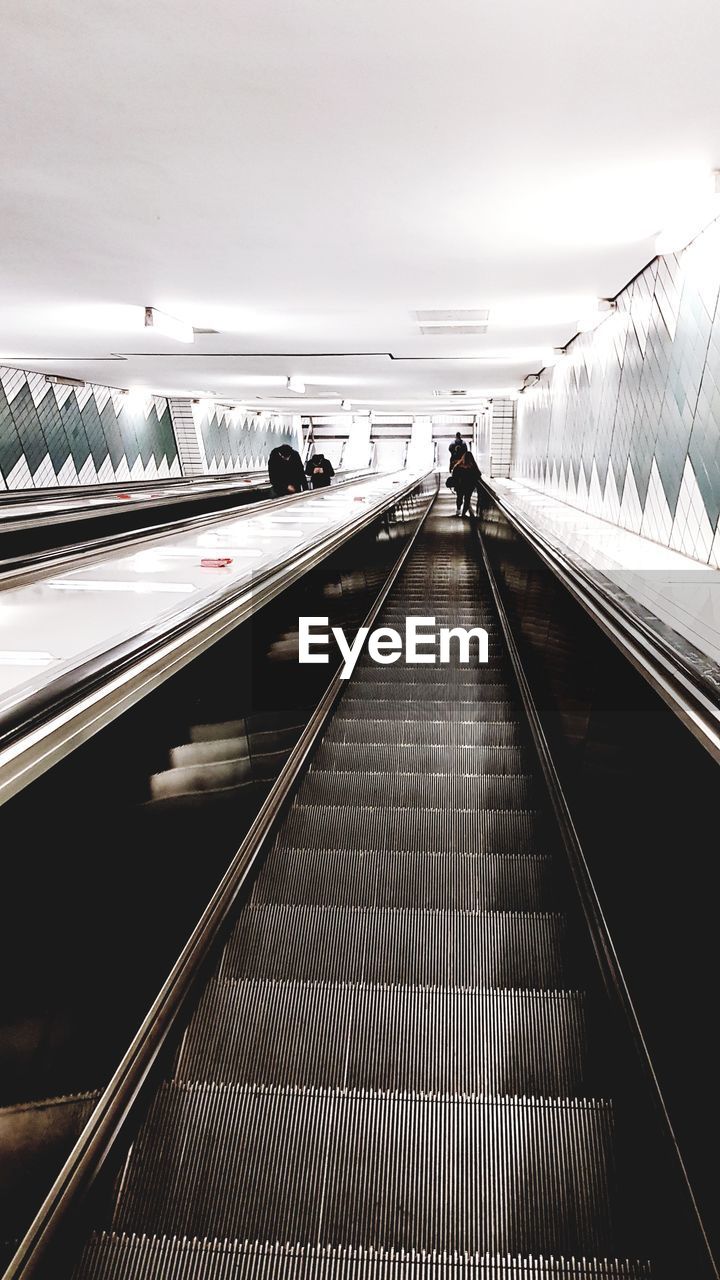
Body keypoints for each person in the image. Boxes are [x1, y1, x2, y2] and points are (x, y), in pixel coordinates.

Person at [451, 449, 482, 517]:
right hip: (470, 486)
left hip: (460, 486)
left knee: (459, 497)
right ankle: (464, 513)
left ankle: (458, 509)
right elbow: (478, 475)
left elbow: (454, 475)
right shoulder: (473, 467)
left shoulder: (458, 466)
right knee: (467, 499)